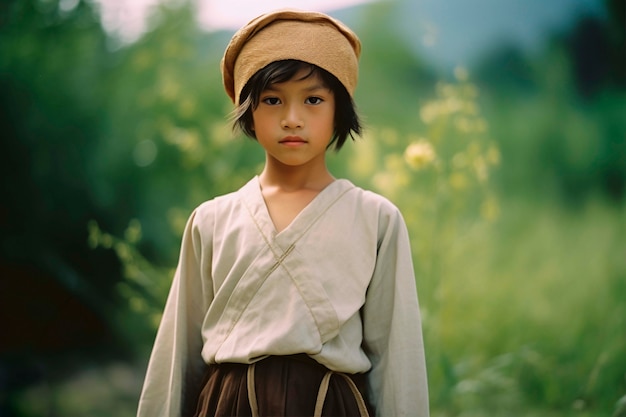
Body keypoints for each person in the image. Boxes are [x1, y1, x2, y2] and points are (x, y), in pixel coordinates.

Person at [137, 8, 429, 417]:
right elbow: (177, 357)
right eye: (272, 100)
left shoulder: (376, 220)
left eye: (313, 100)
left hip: (331, 406)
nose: (292, 119)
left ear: (339, 109)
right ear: (249, 111)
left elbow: (397, 361)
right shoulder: (211, 220)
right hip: (228, 406)